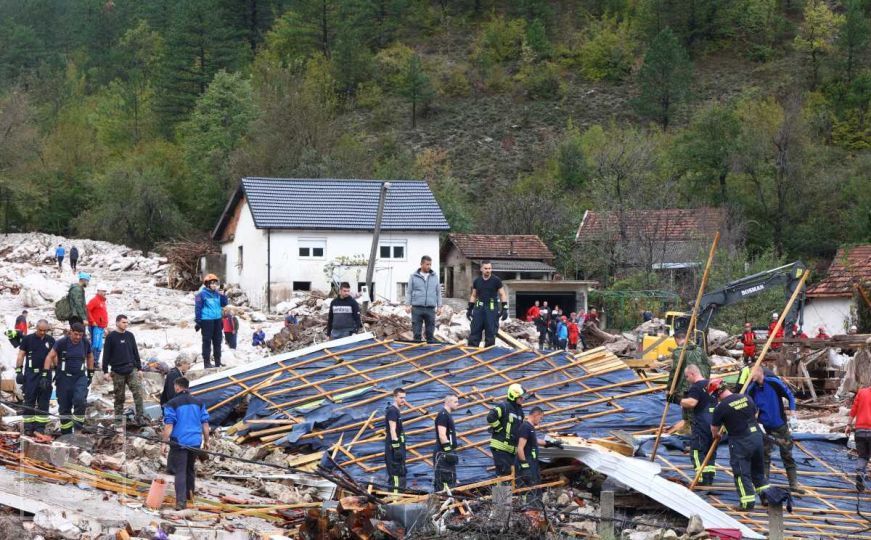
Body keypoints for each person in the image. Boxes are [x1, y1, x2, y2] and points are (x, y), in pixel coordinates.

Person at [709, 379, 770, 510]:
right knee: (758, 470)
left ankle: (747, 503)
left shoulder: (721, 407)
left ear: (716, 394)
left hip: (741, 441)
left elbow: (714, 428)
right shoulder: (746, 398)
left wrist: (718, 435)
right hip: (757, 437)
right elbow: (754, 413)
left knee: (742, 473)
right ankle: (766, 497)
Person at [746, 367, 804, 493]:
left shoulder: (773, 383)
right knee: (764, 455)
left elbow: (790, 396)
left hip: (780, 425)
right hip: (764, 427)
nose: (751, 377)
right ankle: (764, 485)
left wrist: (793, 411)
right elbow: (746, 403)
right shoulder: (752, 388)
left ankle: (794, 484)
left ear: (760, 372)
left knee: (787, 454)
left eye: (753, 374)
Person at [161, 377, 210, 510]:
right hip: (195, 442)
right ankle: (190, 497)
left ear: (177, 387)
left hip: (180, 443)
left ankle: (181, 502)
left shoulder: (172, 403)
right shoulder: (199, 402)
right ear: (187, 387)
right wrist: (207, 441)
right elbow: (205, 423)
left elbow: (169, 425)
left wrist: (164, 443)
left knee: (180, 471)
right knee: (190, 470)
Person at [43, 323, 94, 435]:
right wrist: (45, 375)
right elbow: (49, 357)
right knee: (64, 406)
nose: (78, 337)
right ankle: (66, 433)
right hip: (64, 378)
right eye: (76, 334)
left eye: (80, 335)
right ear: (70, 331)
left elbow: (90, 356)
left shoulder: (85, 342)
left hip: (79, 377)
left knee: (80, 400)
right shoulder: (62, 342)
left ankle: (78, 429)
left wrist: (90, 373)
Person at [102, 315, 145, 425]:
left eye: (127, 322)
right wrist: (105, 371)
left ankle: (140, 417)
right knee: (119, 397)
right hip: (117, 371)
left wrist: (139, 368)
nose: (125, 324)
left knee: (138, 393)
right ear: (117, 323)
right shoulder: (111, 337)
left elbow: (135, 351)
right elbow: (106, 355)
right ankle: (118, 420)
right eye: (123, 322)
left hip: (131, 369)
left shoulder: (130, 335)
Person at [16, 320, 55, 435]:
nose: (42, 332)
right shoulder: (28, 339)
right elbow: (21, 355)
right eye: (40, 330)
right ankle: (28, 427)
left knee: (44, 401)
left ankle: (40, 427)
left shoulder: (51, 340)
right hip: (31, 374)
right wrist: (19, 371)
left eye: (45, 330)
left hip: (46, 374)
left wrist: (57, 371)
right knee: (29, 400)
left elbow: (55, 357)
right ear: (36, 328)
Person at [680, 364, 717, 485]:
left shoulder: (696, 387)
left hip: (701, 422)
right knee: (710, 450)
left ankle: (701, 479)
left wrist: (677, 400)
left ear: (692, 374)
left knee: (696, 450)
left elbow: (691, 403)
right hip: (713, 421)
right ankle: (709, 477)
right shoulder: (711, 384)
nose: (687, 379)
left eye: (687, 377)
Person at [487, 383, 525, 477]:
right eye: (520, 397)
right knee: (503, 474)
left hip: (511, 449)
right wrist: (499, 428)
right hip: (500, 447)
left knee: (512, 475)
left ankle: (508, 492)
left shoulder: (520, 412)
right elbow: (491, 416)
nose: (522, 399)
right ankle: (501, 492)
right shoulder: (504, 406)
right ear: (513, 396)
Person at [467, 262, 508, 348]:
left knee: (490, 333)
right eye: (486, 268)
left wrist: (505, 308)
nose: (488, 270)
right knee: (475, 331)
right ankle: (471, 354)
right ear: (481, 269)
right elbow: (474, 295)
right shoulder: (477, 281)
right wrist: (470, 309)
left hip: (491, 310)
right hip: (479, 309)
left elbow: (502, 294)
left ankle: (488, 355)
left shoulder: (496, 280)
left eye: (489, 268)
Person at [405, 255, 442, 343]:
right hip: (417, 308)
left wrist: (439, 306)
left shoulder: (434, 276)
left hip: (430, 309)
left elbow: (438, 292)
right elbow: (409, 292)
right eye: (427, 264)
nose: (429, 266)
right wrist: (407, 305)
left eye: (430, 265)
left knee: (430, 333)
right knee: (417, 333)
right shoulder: (413, 276)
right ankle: (417, 352)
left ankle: (430, 353)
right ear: (421, 264)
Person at [194, 274, 228, 369]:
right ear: (207, 284)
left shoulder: (217, 293)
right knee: (207, 342)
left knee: (218, 341)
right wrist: (198, 321)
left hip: (217, 320)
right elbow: (198, 308)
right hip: (207, 321)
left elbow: (224, 304)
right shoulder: (201, 294)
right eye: (211, 283)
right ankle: (207, 363)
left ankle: (218, 362)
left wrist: (223, 295)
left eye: (215, 283)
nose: (214, 285)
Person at [516, 406, 543, 507]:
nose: (540, 421)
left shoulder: (530, 428)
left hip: (533, 463)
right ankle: (531, 511)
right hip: (528, 463)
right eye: (541, 418)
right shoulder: (525, 427)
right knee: (530, 489)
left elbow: (535, 441)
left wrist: (550, 443)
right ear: (536, 415)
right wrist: (525, 466)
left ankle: (536, 510)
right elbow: (520, 448)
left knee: (535, 487)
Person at [847, 382, 871, 492]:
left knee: (862, 456)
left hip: (859, 431)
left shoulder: (861, 392)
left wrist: (848, 425)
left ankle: (860, 475)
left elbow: (853, 410)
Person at [433, 394, 459, 492]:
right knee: (444, 481)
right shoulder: (443, 415)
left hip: (446, 455)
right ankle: (443, 504)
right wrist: (448, 451)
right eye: (455, 402)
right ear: (448, 402)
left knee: (449, 480)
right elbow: (442, 435)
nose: (458, 404)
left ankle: (449, 505)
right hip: (443, 455)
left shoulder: (447, 415)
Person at [384, 387, 408, 493]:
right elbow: (392, 430)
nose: (403, 400)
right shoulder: (392, 411)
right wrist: (396, 447)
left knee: (400, 472)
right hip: (394, 450)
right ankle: (395, 499)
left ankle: (398, 498)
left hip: (398, 447)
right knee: (396, 475)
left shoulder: (396, 411)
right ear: (395, 397)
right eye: (401, 397)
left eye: (404, 398)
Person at [87, 284, 109, 368]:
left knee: (99, 345)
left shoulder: (102, 301)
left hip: (101, 327)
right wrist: (92, 321)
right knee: (95, 345)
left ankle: (95, 362)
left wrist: (105, 325)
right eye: (103, 291)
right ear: (98, 291)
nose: (104, 293)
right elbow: (87, 310)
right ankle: (92, 362)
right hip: (95, 326)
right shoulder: (94, 300)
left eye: (105, 291)